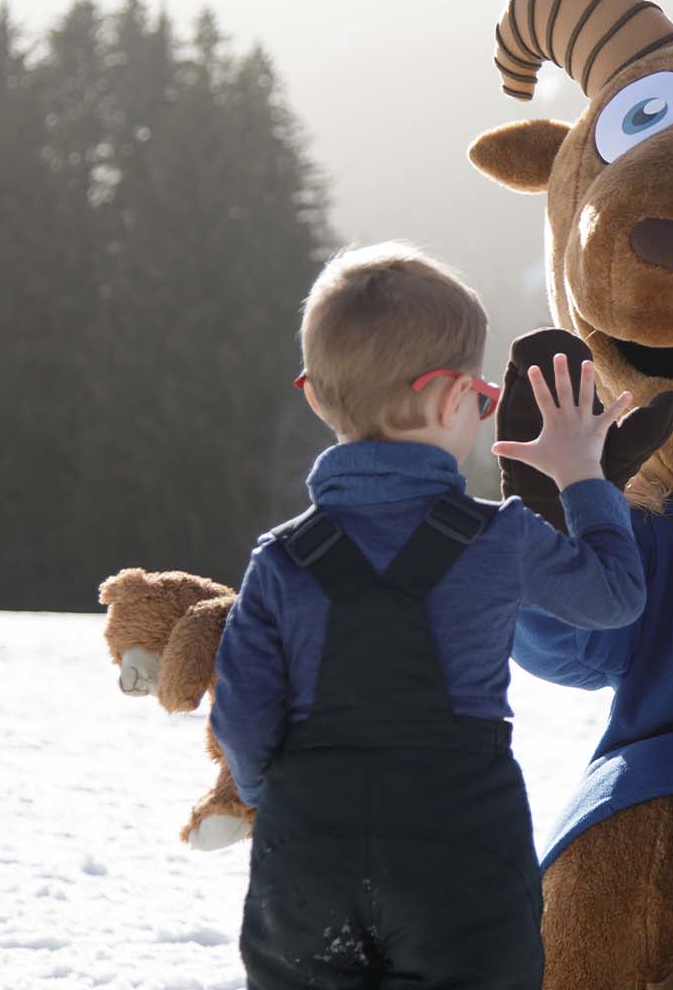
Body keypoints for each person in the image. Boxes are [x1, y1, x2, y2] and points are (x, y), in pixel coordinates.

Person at [211, 241, 646, 990]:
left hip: (308, 859)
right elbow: (614, 598)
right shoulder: (502, 538)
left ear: (315, 396)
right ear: (452, 400)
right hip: (460, 855)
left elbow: (242, 722)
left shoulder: (280, 561)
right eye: (481, 398)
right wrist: (582, 475)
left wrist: (273, 803)